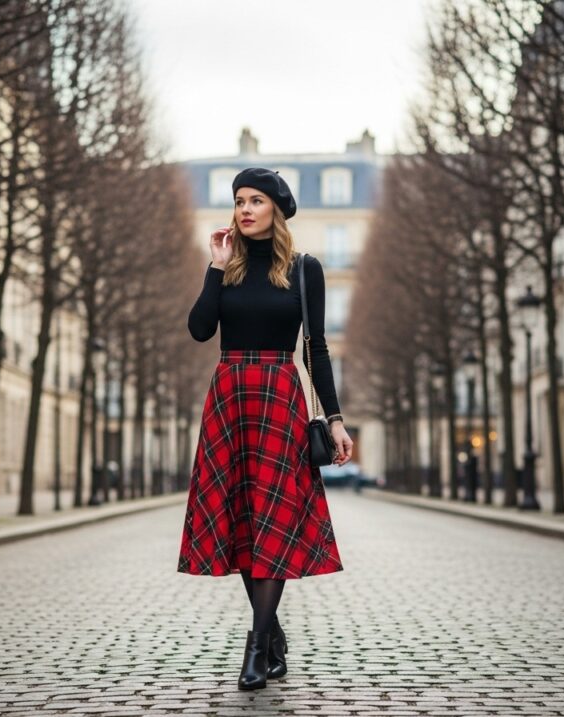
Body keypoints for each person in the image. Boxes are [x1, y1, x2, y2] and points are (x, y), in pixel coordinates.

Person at [177, 167, 353, 691]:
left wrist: (337, 420)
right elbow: (200, 329)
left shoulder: (304, 269)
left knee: (272, 516)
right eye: (238, 201)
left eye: (255, 200)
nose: (245, 209)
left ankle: (255, 645)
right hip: (229, 394)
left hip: (279, 395)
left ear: (276, 208)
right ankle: (271, 632)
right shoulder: (225, 268)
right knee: (240, 518)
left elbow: (316, 349)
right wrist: (214, 267)